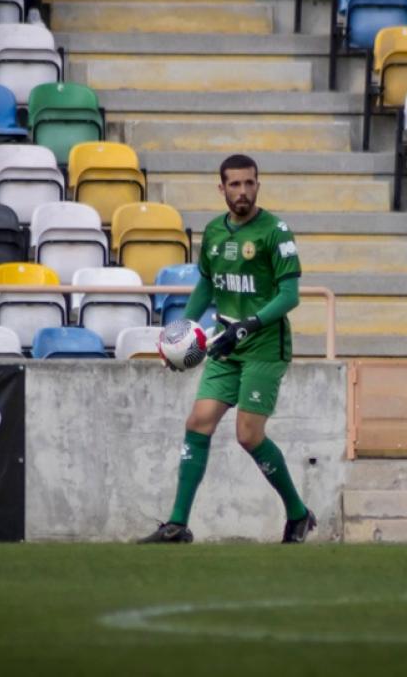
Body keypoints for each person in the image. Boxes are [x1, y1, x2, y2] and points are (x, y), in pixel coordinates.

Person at [139, 154, 316, 545]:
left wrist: (250, 325)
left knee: (248, 435)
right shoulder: (214, 232)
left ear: (258, 184)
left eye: (249, 183)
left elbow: (290, 296)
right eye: (234, 184)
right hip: (225, 346)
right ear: (221, 188)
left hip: (265, 347)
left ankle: (299, 514)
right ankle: (177, 525)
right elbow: (206, 284)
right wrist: (182, 333)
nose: (242, 192)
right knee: (197, 422)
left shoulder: (276, 232)